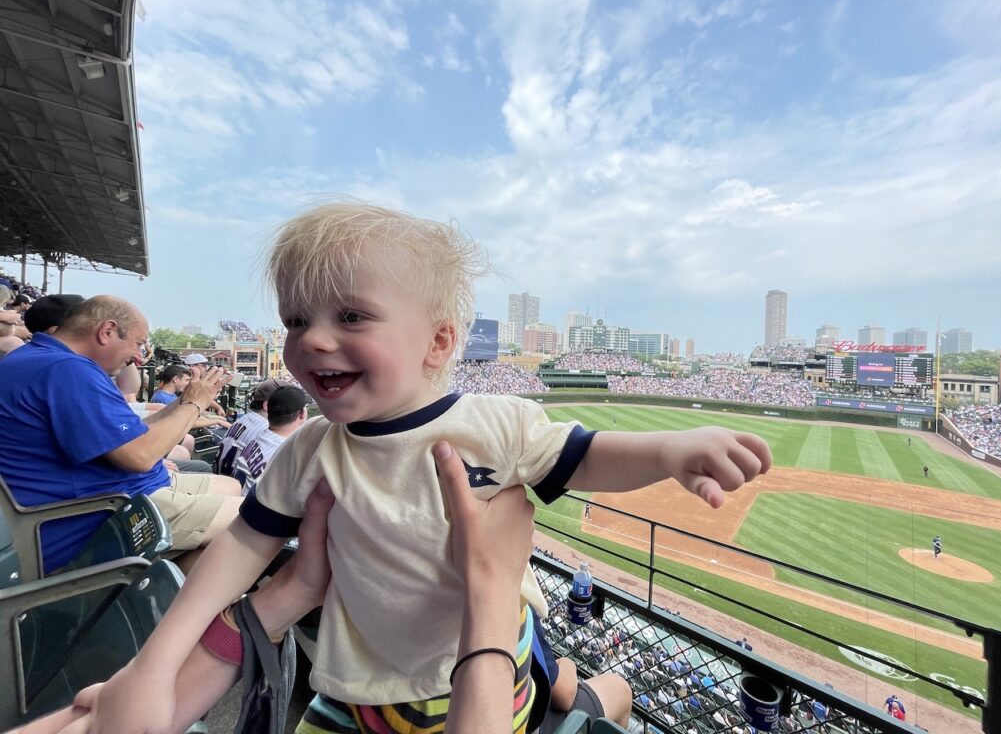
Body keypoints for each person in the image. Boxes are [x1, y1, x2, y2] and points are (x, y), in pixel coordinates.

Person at [80, 203, 771, 734]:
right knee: (565, 695)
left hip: (481, 676)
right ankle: (589, 692)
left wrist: (674, 449)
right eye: (296, 319)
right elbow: (239, 547)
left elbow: (584, 455)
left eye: (351, 315)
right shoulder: (312, 450)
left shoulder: (493, 421)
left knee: (555, 696)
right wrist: (152, 667)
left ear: (438, 340)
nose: (312, 339)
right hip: (366, 692)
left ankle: (593, 692)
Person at [21, 443, 553, 734]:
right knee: (596, 695)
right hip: (450, 682)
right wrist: (493, 587)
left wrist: (292, 592)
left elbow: (109, 725)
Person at [0, 295, 242, 572]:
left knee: (231, 488)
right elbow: (139, 456)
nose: (139, 357)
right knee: (255, 522)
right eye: (138, 344)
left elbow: (134, 436)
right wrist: (194, 403)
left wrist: (184, 401)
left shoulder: (41, 358)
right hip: (95, 513)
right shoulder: (67, 370)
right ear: (107, 332)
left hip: (106, 493)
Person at [233, 385, 311, 493]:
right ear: (302, 413)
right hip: (250, 507)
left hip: (237, 499)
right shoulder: (288, 453)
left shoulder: (259, 437)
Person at [215, 379, 284, 475]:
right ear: (267, 405)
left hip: (221, 478)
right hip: (236, 486)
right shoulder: (266, 431)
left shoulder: (243, 419)